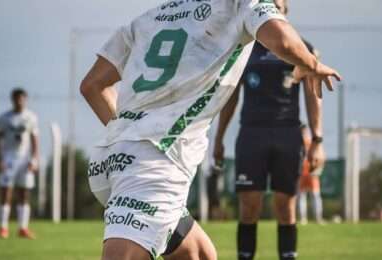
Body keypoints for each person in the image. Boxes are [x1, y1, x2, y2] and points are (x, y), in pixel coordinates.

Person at [80, 0, 341, 259]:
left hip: (110, 160)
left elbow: (91, 86)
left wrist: (129, 136)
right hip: (153, 167)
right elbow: (283, 41)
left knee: (197, 254)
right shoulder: (242, 5)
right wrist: (313, 64)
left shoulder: (150, 17)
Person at [213, 1, 327, 259]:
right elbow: (230, 97)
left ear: (286, 11)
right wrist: (218, 138)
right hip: (252, 134)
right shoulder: (244, 49)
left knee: (286, 206)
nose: (274, 8)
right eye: (269, 4)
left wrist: (318, 139)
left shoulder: (302, 49)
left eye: (278, 5)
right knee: (249, 206)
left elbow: (313, 95)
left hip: (287, 134)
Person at [0, 88, 39, 239]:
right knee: (6, 191)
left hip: (25, 159)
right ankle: (3, 227)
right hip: (8, 158)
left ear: (25, 99)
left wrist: (34, 159)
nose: (19, 101)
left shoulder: (31, 117)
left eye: (22, 98)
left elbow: (34, 139)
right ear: (12, 99)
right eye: (16, 98)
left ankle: (23, 228)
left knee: (24, 192)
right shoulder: (4, 118)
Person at [298, 125, 325, 225]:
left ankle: (318, 218)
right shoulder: (298, 144)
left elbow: (320, 157)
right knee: (302, 196)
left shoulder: (313, 143)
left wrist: (317, 169)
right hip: (302, 174)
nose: (303, 133)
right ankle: (303, 219)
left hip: (312, 174)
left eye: (305, 131)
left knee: (315, 196)